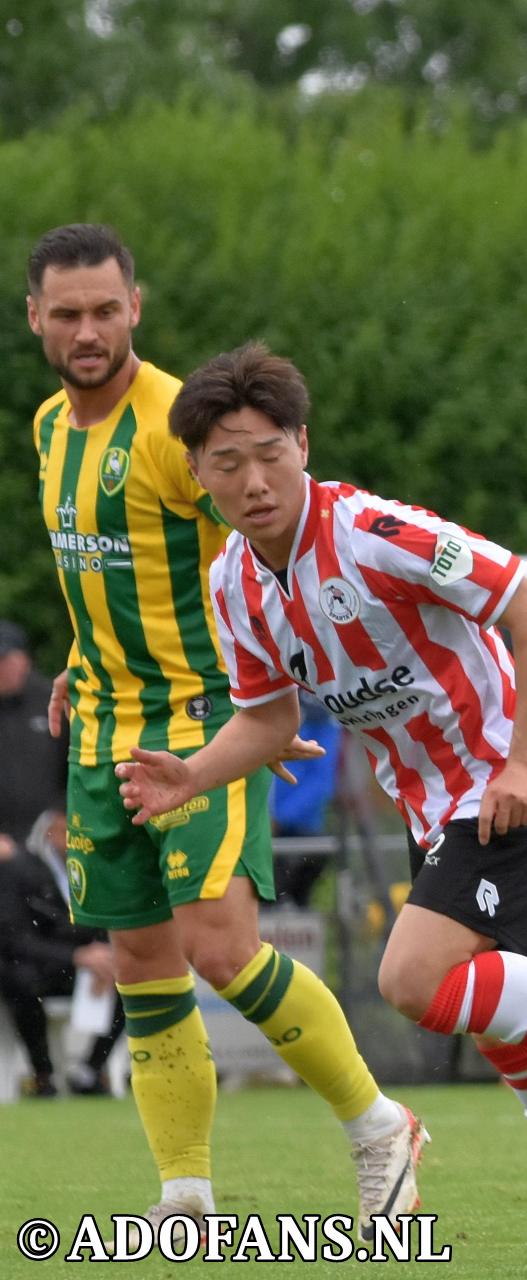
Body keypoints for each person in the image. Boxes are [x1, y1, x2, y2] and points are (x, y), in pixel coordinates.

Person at [114, 344, 527, 1256]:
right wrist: (191, 773)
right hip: (435, 807)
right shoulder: (233, 583)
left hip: (505, 781)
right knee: (512, 1035)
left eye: (270, 452)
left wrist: (526, 762)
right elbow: (267, 722)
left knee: (410, 981)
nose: (254, 479)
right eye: (228, 463)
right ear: (197, 473)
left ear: (304, 444)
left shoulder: (377, 532)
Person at [26, 226, 415, 1239]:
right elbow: (103, 575)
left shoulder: (175, 432)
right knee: (142, 958)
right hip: (103, 732)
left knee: (219, 944)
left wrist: (276, 703)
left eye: (105, 309)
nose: (87, 329)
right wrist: (81, 659)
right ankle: (186, 1193)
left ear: (135, 307)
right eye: (66, 312)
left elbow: (260, 555)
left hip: (202, 718)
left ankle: (379, 1125)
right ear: (35, 317)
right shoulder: (46, 428)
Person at [0, 811, 126, 1097]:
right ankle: (43, 1074)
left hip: (86, 967)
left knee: (129, 980)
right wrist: (75, 957)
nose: (71, 838)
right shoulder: (20, 870)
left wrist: (107, 957)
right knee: (19, 980)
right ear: (47, 831)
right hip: (39, 966)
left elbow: (109, 920)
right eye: (63, 830)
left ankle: (91, 1069)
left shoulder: (96, 867)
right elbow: (14, 940)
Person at [269, 691, 344, 907]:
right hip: (262, 828)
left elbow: (322, 782)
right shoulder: (264, 708)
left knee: (291, 905)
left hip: (298, 832)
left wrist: (278, 818)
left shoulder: (321, 716)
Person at [0, 620, 66, 851]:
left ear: (24, 660)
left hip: (52, 837)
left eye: (4, 660)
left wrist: (64, 814)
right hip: (5, 845)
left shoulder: (51, 700)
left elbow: (73, 764)